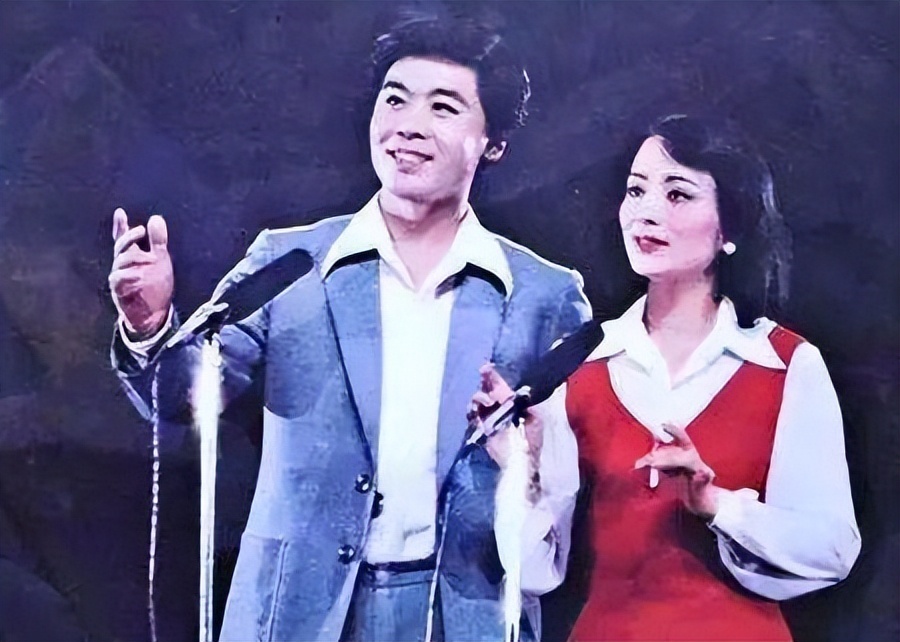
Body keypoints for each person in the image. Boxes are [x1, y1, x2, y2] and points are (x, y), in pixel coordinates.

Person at [108, 13, 589, 642]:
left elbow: (564, 487)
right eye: (395, 99)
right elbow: (183, 398)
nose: (408, 125)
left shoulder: (545, 295)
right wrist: (148, 325)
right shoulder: (288, 262)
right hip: (299, 613)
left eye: (443, 107)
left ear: (492, 142)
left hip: (464, 614)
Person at [554, 114, 860, 640]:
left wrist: (715, 503)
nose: (647, 211)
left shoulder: (786, 363)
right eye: (636, 190)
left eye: (677, 194)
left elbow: (832, 546)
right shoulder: (583, 361)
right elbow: (537, 565)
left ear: (729, 228)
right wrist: (519, 463)